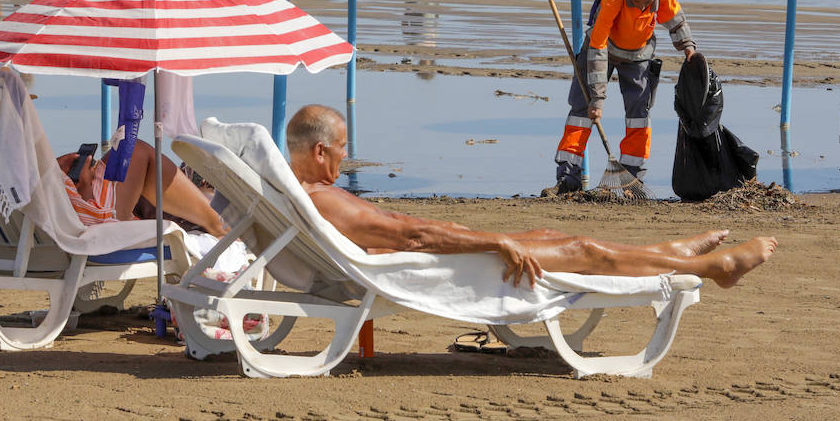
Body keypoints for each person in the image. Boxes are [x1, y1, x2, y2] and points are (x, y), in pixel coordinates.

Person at [286, 104, 776, 288]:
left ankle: (665, 254)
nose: (346, 159)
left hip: (445, 253)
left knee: (552, 233)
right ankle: (712, 269)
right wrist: (493, 244)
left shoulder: (312, 192)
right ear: (321, 148)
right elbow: (410, 236)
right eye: (343, 149)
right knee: (583, 252)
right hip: (440, 268)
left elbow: (403, 229)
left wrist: (475, 235)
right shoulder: (326, 201)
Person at [554, 0, 696, 192]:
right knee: (582, 109)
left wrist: (688, 48)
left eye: (646, 3)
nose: (641, 6)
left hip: (639, 54)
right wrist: (597, 99)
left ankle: (631, 177)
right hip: (603, 48)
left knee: (639, 113)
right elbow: (598, 47)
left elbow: (676, 21)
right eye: (636, 1)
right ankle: (568, 176)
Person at [56, 137, 227, 237]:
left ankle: (208, 211)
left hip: (72, 214)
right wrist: (84, 184)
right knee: (131, 148)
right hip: (92, 214)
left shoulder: (31, 157)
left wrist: (56, 168)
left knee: (129, 152)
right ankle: (216, 224)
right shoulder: (32, 159)